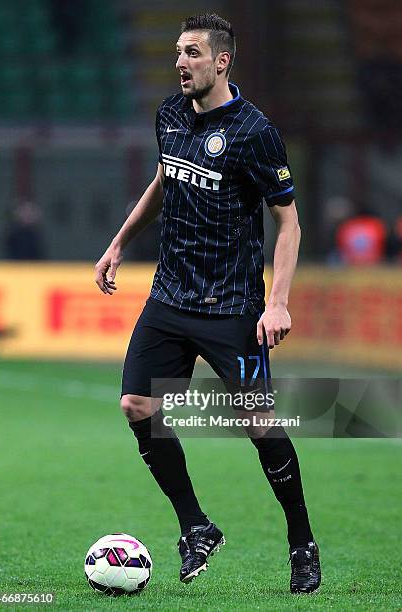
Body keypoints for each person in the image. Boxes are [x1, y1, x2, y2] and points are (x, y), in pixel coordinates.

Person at [95, 13, 321, 594]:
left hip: (234, 309)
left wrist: (278, 303)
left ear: (221, 61)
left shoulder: (254, 132)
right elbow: (165, 182)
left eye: (192, 53)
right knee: (137, 406)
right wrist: (120, 243)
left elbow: (289, 223)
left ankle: (302, 542)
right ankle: (195, 525)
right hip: (170, 298)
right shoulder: (169, 115)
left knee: (258, 424)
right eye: (176, 52)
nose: (179, 62)